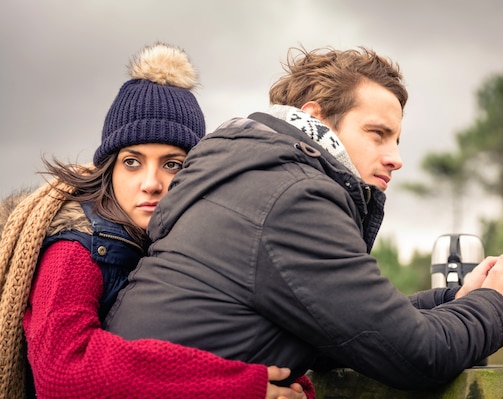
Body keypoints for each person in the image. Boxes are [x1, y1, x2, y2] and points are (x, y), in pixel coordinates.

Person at [104, 46, 503, 390]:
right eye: (377, 134)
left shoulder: (247, 177)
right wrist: (499, 307)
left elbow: (348, 327)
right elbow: (415, 354)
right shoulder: (291, 199)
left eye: (396, 139)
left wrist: (456, 300)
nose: (395, 158)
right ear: (313, 118)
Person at [0, 42, 312, 399]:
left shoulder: (197, 246)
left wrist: (290, 383)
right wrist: (234, 386)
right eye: (132, 162)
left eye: (172, 164)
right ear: (110, 169)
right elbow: (64, 371)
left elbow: (226, 329)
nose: (151, 183)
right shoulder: (76, 247)